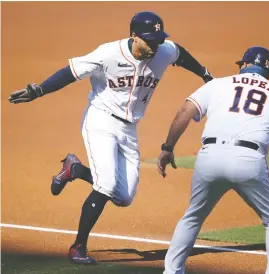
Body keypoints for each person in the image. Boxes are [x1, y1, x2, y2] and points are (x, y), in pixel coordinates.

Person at [8, 11, 213, 265]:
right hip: (101, 120)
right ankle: (78, 247)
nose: (155, 46)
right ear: (134, 36)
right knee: (105, 184)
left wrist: (205, 74)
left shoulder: (163, 50)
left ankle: (76, 169)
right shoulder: (107, 54)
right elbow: (70, 72)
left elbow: (179, 53)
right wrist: (38, 90)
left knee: (124, 197)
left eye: (158, 39)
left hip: (129, 130)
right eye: (149, 40)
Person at [157, 46, 269, 274]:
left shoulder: (217, 84)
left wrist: (168, 147)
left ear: (243, 65)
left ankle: (171, 271)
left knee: (193, 216)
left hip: (209, 157)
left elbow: (185, 111)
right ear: (268, 71)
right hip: (248, 161)